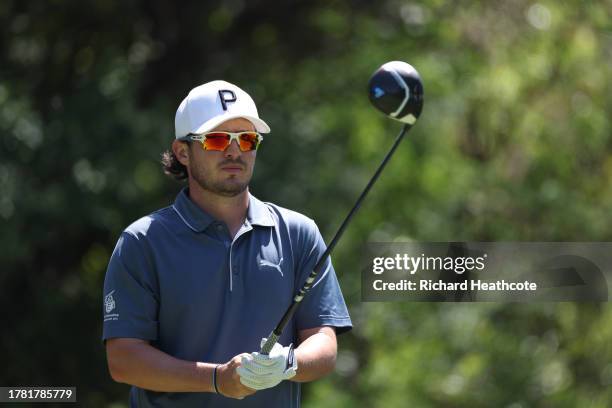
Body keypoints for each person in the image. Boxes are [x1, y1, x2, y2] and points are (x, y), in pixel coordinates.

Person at [102, 80, 352, 407]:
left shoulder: (298, 232)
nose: (235, 151)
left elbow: (323, 341)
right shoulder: (143, 241)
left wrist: (288, 364)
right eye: (217, 140)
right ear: (182, 152)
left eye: (247, 139)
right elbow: (123, 359)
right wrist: (218, 379)